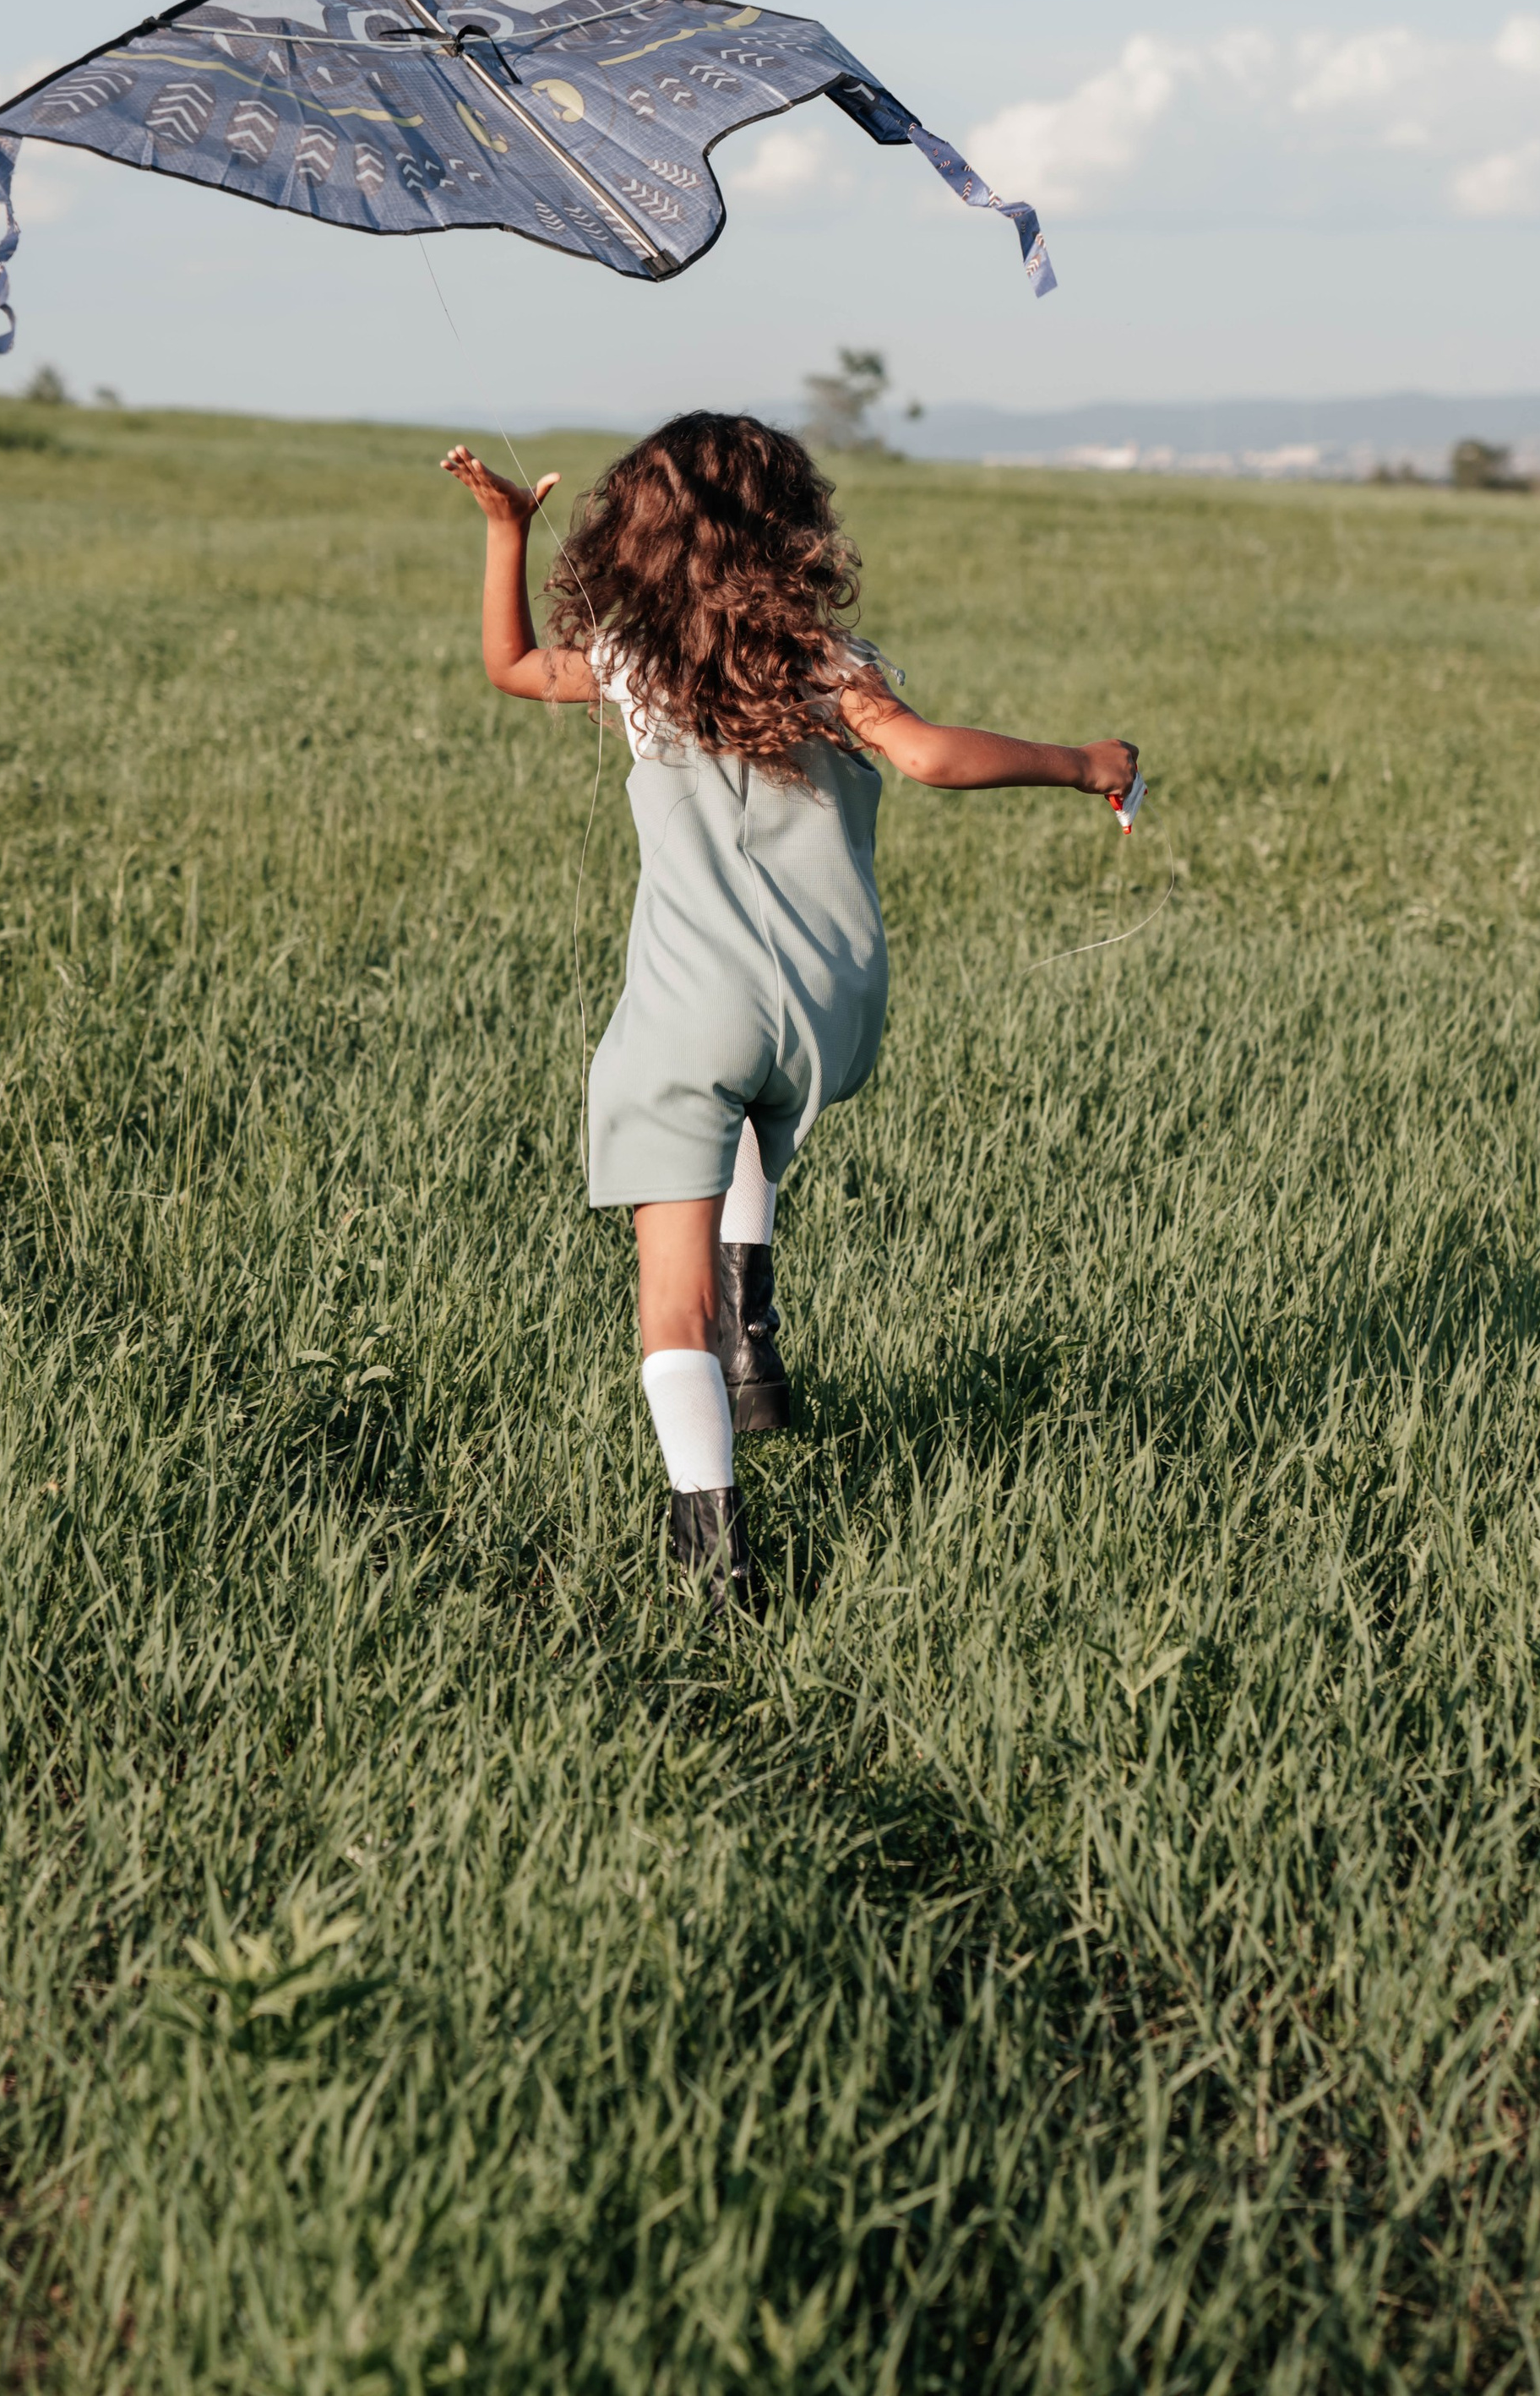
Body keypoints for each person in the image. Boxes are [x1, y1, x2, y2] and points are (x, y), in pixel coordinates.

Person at [443, 414, 1139, 1609]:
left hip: (688, 1017)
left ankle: (713, 1551)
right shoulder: (826, 663)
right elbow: (928, 758)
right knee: (758, 1108)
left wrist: (507, 530)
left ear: (637, 536)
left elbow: (511, 667)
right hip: (829, 1011)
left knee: (673, 1301)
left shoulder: (638, 665)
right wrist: (1083, 762)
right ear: (789, 530)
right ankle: (753, 1325)